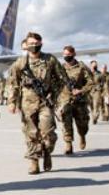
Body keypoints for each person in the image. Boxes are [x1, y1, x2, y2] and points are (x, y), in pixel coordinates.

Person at [7, 32, 70, 174]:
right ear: (26, 45)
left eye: (36, 44)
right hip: (27, 103)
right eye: (31, 44)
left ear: (41, 44)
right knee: (31, 133)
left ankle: (47, 151)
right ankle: (34, 162)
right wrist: (12, 101)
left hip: (45, 102)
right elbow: (12, 83)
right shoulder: (20, 63)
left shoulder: (50, 60)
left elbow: (62, 80)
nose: (34, 46)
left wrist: (57, 96)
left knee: (48, 133)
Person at [59, 46, 93, 154]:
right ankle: (68, 144)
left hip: (80, 100)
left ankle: (82, 135)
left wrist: (81, 90)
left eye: (68, 54)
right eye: (64, 54)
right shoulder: (60, 68)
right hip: (66, 99)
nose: (66, 56)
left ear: (74, 54)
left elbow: (91, 82)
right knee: (66, 122)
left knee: (82, 124)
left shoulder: (82, 67)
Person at [89, 60, 105, 124]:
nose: (95, 66)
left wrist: (100, 88)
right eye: (94, 65)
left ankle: (95, 117)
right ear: (90, 65)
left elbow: (103, 82)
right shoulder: (87, 73)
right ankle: (93, 116)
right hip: (89, 91)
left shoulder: (99, 74)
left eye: (96, 65)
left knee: (96, 105)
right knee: (91, 106)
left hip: (97, 91)